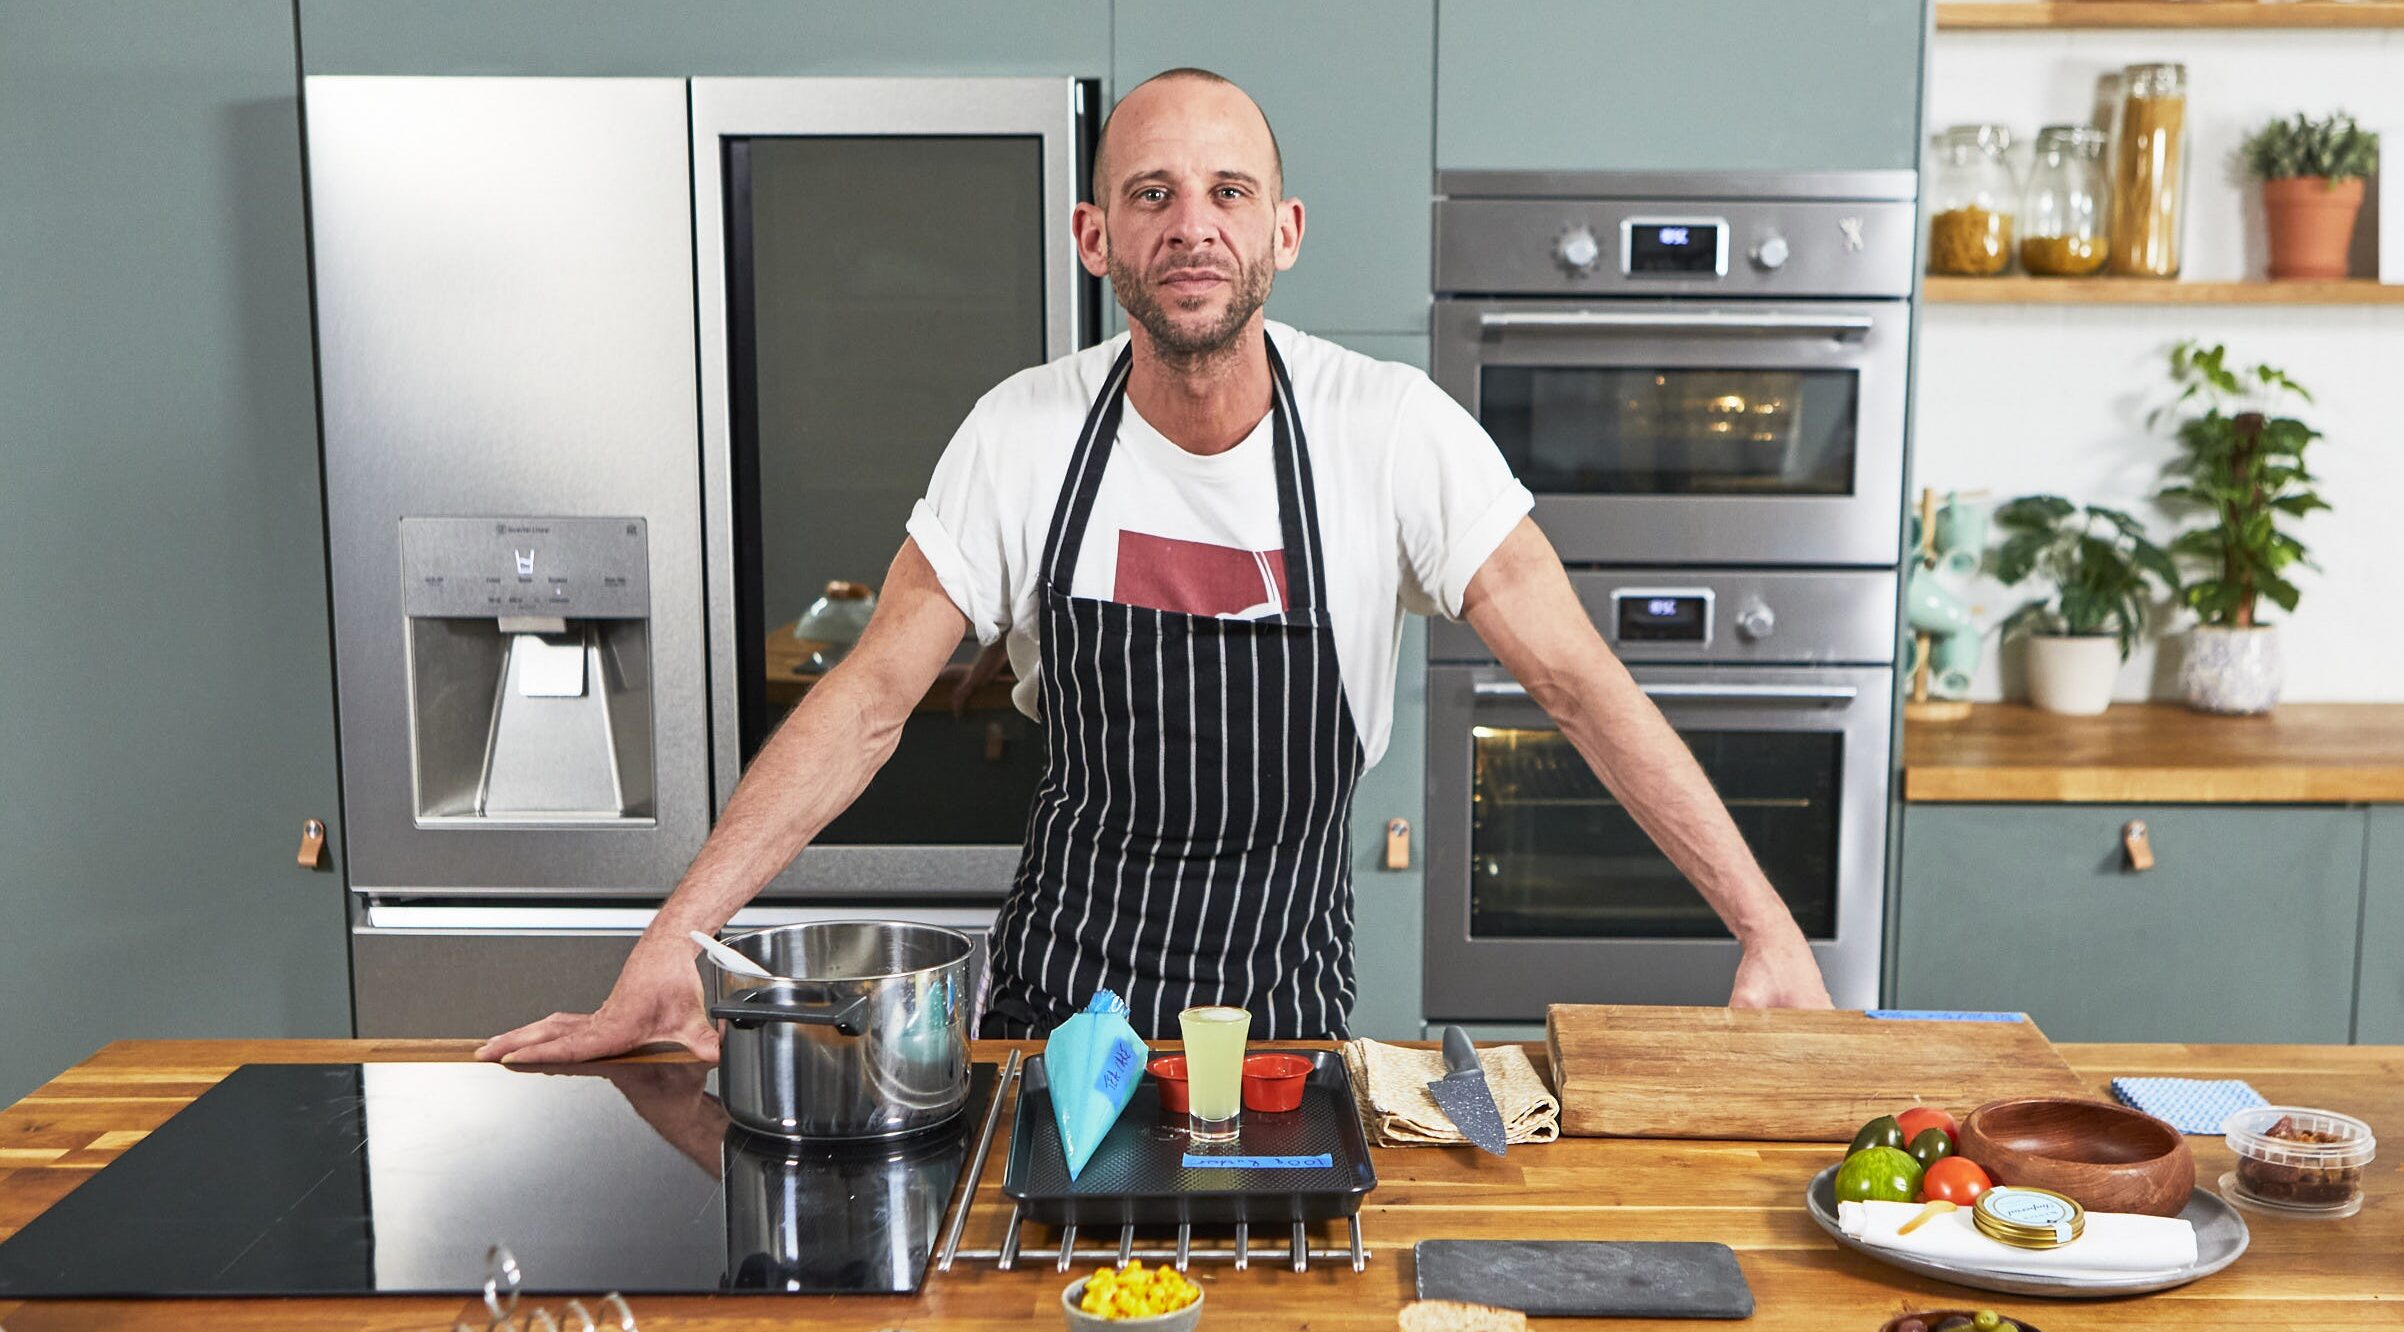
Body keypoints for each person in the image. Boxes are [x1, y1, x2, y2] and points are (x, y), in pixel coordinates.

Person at [477, 67, 1830, 1067]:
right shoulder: (1022, 435)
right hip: (1053, 1026)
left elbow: (1584, 687)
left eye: (1228, 192)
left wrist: (1768, 932)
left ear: (1284, 232)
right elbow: (867, 700)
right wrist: (673, 942)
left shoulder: (1391, 434)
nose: (1194, 224)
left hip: (1288, 1031)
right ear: (1097, 238)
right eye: (1154, 195)